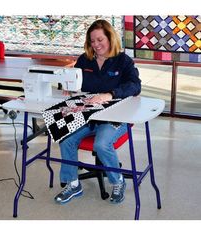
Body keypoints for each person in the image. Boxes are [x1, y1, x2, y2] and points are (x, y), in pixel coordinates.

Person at [54, 19, 141, 204]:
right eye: (92, 41)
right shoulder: (85, 59)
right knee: (65, 138)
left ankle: (117, 181)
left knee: (101, 145)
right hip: (89, 116)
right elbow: (73, 79)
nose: (96, 45)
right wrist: (68, 86)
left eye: (100, 39)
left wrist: (110, 94)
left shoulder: (123, 61)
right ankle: (73, 184)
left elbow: (135, 86)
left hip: (116, 117)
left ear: (110, 38)